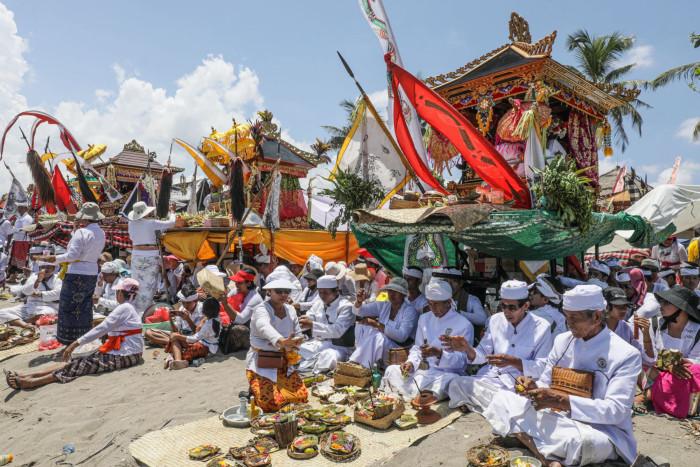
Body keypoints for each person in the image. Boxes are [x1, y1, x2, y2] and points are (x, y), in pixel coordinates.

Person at [480, 284, 642, 466]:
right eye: (566, 317)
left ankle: (534, 444)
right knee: (503, 400)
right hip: (559, 417)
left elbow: (617, 411)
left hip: (601, 430)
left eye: (574, 318)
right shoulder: (562, 340)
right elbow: (545, 381)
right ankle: (547, 456)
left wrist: (562, 401)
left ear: (596, 316)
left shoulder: (625, 354)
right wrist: (533, 387)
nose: (569, 324)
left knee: (581, 443)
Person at [5, 279, 144, 390]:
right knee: (75, 361)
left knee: (79, 366)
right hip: (123, 352)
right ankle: (30, 375)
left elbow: (102, 328)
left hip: (127, 355)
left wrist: (76, 343)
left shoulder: (125, 308)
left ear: (120, 293)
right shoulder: (129, 307)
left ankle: (31, 382)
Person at [446, 280, 554, 413]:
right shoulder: (495, 320)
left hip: (516, 384)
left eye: (512, 307)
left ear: (525, 305)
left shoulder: (542, 327)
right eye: (503, 306)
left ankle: (484, 404)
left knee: (518, 400)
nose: (506, 312)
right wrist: (467, 349)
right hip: (489, 379)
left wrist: (514, 362)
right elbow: (483, 353)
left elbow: (542, 367)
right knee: (456, 383)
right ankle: (497, 407)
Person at [380, 278, 473, 401]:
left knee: (452, 381)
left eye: (436, 304)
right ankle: (418, 395)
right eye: (430, 303)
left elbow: (462, 362)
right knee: (392, 370)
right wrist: (410, 363)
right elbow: (417, 348)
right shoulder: (424, 319)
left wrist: (440, 354)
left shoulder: (464, 325)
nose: (432, 308)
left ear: (448, 302)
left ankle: (414, 394)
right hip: (423, 373)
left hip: (445, 374)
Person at [41, 202, 106, 346]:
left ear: (85, 218)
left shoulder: (82, 232)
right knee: (84, 305)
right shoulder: (101, 232)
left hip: (77, 272)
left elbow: (73, 254)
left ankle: (69, 339)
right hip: (91, 272)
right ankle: (84, 337)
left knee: (68, 306)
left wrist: (56, 259)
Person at [247, 277, 308, 412]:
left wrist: (296, 341)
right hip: (263, 360)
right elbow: (263, 326)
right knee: (271, 404)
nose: (283, 295)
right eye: (279, 291)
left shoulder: (291, 310)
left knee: (301, 397)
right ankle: (254, 388)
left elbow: (298, 332)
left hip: (283, 361)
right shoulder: (261, 309)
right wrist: (281, 341)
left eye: (286, 291)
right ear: (269, 292)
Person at [644, 286, 700, 418]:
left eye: (667, 303)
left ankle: (661, 398)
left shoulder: (698, 331)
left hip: (682, 374)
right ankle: (659, 396)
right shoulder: (654, 324)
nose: (661, 306)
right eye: (661, 302)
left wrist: (678, 365)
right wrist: (668, 366)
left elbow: (696, 359)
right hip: (656, 372)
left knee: (696, 370)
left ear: (682, 309)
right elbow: (647, 357)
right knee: (639, 366)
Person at [349, 277, 419, 368]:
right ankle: (362, 362)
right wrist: (359, 301)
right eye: (390, 291)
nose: (392, 294)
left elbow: (402, 337)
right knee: (362, 326)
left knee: (378, 336)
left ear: (403, 294)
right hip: (383, 346)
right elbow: (358, 311)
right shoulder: (384, 305)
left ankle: (360, 364)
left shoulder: (410, 311)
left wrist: (376, 324)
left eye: (396, 292)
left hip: (399, 350)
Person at [298, 275, 355, 373]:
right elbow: (309, 317)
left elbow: (337, 331)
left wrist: (312, 325)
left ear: (336, 291)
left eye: (326, 292)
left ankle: (310, 364)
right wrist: (298, 325)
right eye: (320, 292)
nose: (322, 296)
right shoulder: (319, 303)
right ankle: (311, 363)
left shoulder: (346, 306)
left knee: (329, 356)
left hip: (339, 348)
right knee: (296, 349)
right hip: (319, 344)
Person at [127, 201, 176, 315]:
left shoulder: (131, 224)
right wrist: (172, 211)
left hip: (137, 254)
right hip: (149, 255)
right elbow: (171, 223)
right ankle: (143, 311)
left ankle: (137, 309)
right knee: (149, 285)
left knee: (137, 283)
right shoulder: (151, 223)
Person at [0, 262, 62, 329]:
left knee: (44, 314)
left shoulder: (58, 278)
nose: (46, 269)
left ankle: (20, 321)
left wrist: (40, 294)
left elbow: (58, 294)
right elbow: (25, 291)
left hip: (48, 306)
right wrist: (38, 281)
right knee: (1, 313)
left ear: (53, 268)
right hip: (29, 306)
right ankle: (24, 324)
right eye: (43, 267)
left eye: (48, 267)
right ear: (40, 268)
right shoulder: (34, 277)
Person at [165, 297, 221, 370]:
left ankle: (179, 360)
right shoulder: (216, 318)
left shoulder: (208, 325)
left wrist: (179, 336)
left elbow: (194, 339)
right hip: (203, 343)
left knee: (185, 350)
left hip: (206, 348)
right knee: (175, 339)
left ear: (204, 312)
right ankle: (176, 358)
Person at [218, 267, 263, 352]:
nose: (236, 285)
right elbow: (222, 306)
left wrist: (226, 304)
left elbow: (241, 319)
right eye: (236, 282)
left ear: (249, 283)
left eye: (239, 283)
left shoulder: (255, 298)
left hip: (250, 331)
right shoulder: (236, 290)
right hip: (235, 322)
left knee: (238, 329)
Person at [8, 202, 33, 274]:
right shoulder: (20, 217)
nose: (19, 209)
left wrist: (14, 229)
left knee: (21, 259)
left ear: (26, 208)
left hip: (23, 241)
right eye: (19, 207)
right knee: (15, 259)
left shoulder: (27, 218)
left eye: (21, 207)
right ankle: (14, 275)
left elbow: (26, 229)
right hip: (17, 240)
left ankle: (20, 274)